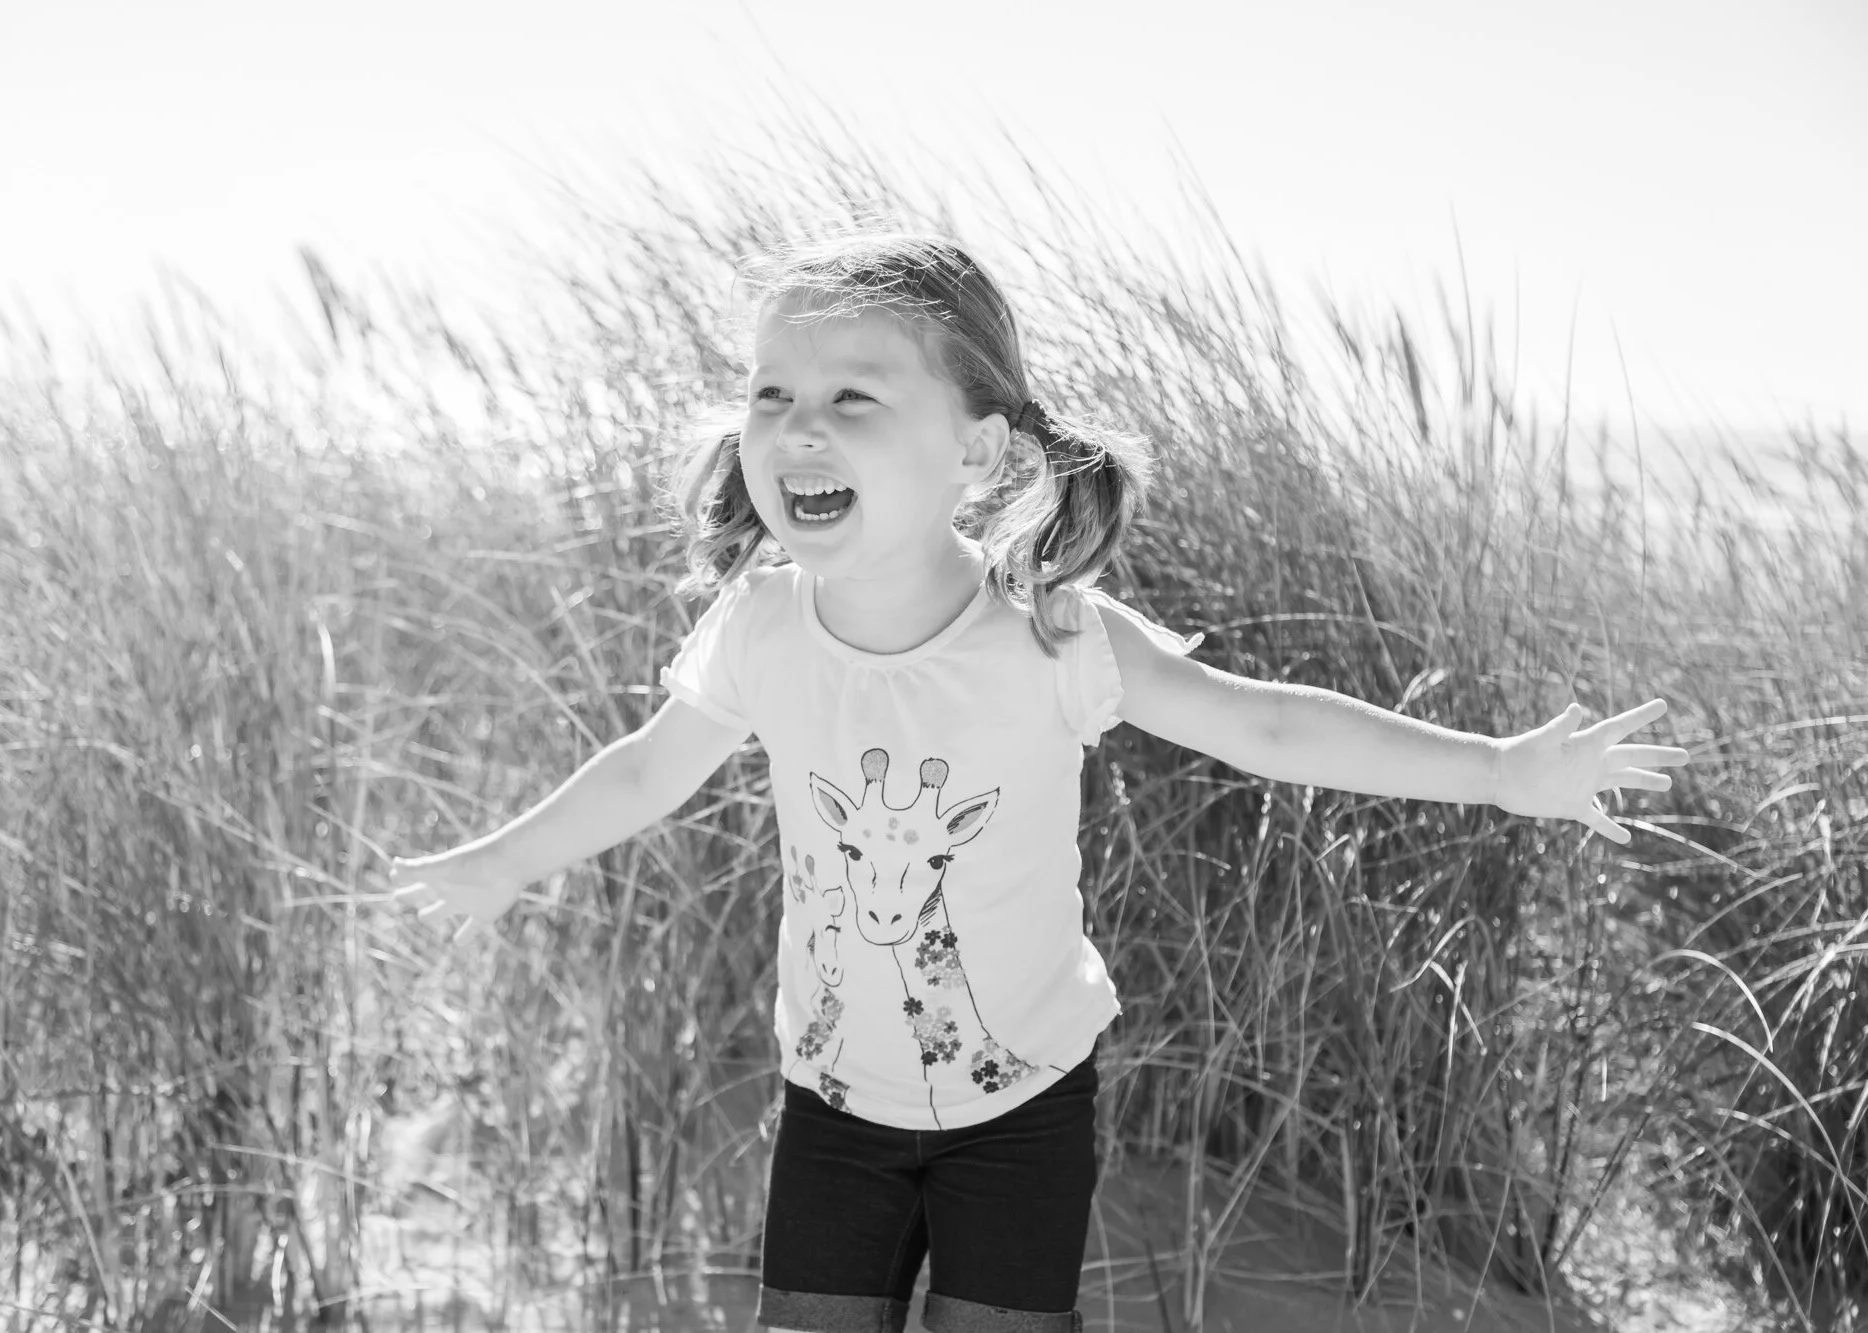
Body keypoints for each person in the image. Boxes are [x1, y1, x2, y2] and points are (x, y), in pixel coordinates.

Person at [386, 231, 1689, 1332]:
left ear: (979, 451)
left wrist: (1501, 772)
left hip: (1021, 1107)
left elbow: (1268, 727)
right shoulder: (761, 625)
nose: (799, 427)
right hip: (832, 1108)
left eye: (854, 398)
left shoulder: (1050, 634)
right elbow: (643, 774)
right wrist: (506, 861)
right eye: (772, 393)